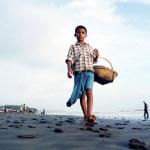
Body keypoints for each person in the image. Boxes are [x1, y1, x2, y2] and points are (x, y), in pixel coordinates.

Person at [65, 25, 99, 124]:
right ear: (75, 34)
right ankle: (85, 116)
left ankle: (89, 116)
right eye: (78, 32)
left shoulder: (89, 47)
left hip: (90, 72)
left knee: (89, 92)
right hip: (79, 73)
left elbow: (94, 60)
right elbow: (69, 58)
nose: (81, 34)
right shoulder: (73, 47)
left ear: (86, 35)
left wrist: (97, 55)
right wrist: (69, 69)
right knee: (82, 95)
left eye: (83, 32)